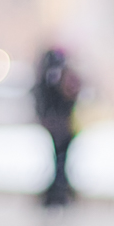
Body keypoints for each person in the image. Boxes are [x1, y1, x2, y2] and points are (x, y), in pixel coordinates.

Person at [32, 45, 81, 207]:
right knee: (59, 162)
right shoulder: (58, 76)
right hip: (61, 127)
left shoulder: (48, 76)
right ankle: (58, 193)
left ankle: (58, 193)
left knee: (59, 162)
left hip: (60, 127)